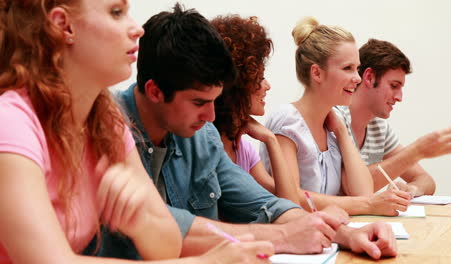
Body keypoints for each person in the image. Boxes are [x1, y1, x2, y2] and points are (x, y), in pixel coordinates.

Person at [105, 5, 398, 261]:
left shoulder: (201, 136)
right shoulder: (105, 126)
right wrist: (282, 236)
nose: (210, 116)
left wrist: (345, 235)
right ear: (155, 91)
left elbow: (264, 203)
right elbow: (160, 223)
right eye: (199, 103)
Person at [0, 0, 274, 263]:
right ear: (65, 26)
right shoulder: (11, 121)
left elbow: (166, 245)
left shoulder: (106, 120)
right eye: (116, 11)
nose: (137, 29)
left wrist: (142, 219)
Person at [260, 17, 412, 216]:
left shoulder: (333, 126)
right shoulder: (287, 121)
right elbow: (292, 199)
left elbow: (362, 192)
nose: (357, 78)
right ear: (317, 73)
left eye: (356, 69)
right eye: (347, 68)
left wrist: (341, 132)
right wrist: (368, 205)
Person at [333, 38, 451, 197]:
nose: (399, 97)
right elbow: (350, 187)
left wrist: (412, 190)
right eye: (394, 86)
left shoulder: (379, 127)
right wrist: (416, 151)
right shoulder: (334, 119)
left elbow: (425, 180)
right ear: (369, 77)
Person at [211, 15, 300, 205]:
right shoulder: (207, 146)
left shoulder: (242, 148)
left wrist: (271, 140)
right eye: (260, 78)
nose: (267, 86)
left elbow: (290, 203)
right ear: (238, 85)